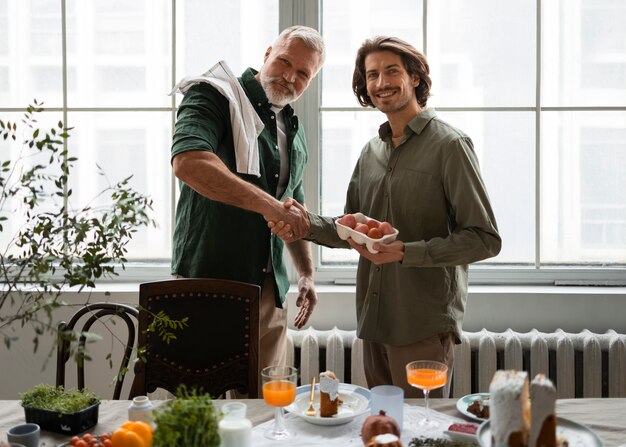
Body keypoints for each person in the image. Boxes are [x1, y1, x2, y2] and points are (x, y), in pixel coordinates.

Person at [270, 36, 501, 397]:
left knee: (421, 430)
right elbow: (350, 229)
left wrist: (406, 252)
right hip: (373, 322)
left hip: (421, 325)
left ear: (415, 79)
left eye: (392, 71)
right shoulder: (371, 152)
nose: (381, 83)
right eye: (372, 74)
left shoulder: (451, 146)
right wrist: (305, 221)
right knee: (384, 429)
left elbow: (484, 238)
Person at [170, 26, 325, 370]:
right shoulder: (212, 94)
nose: (289, 76)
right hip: (207, 281)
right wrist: (270, 206)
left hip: (268, 290)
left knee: (265, 407)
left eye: (303, 73)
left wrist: (305, 274)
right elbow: (188, 162)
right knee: (200, 409)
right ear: (268, 53)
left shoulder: (292, 126)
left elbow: (293, 203)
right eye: (284, 62)